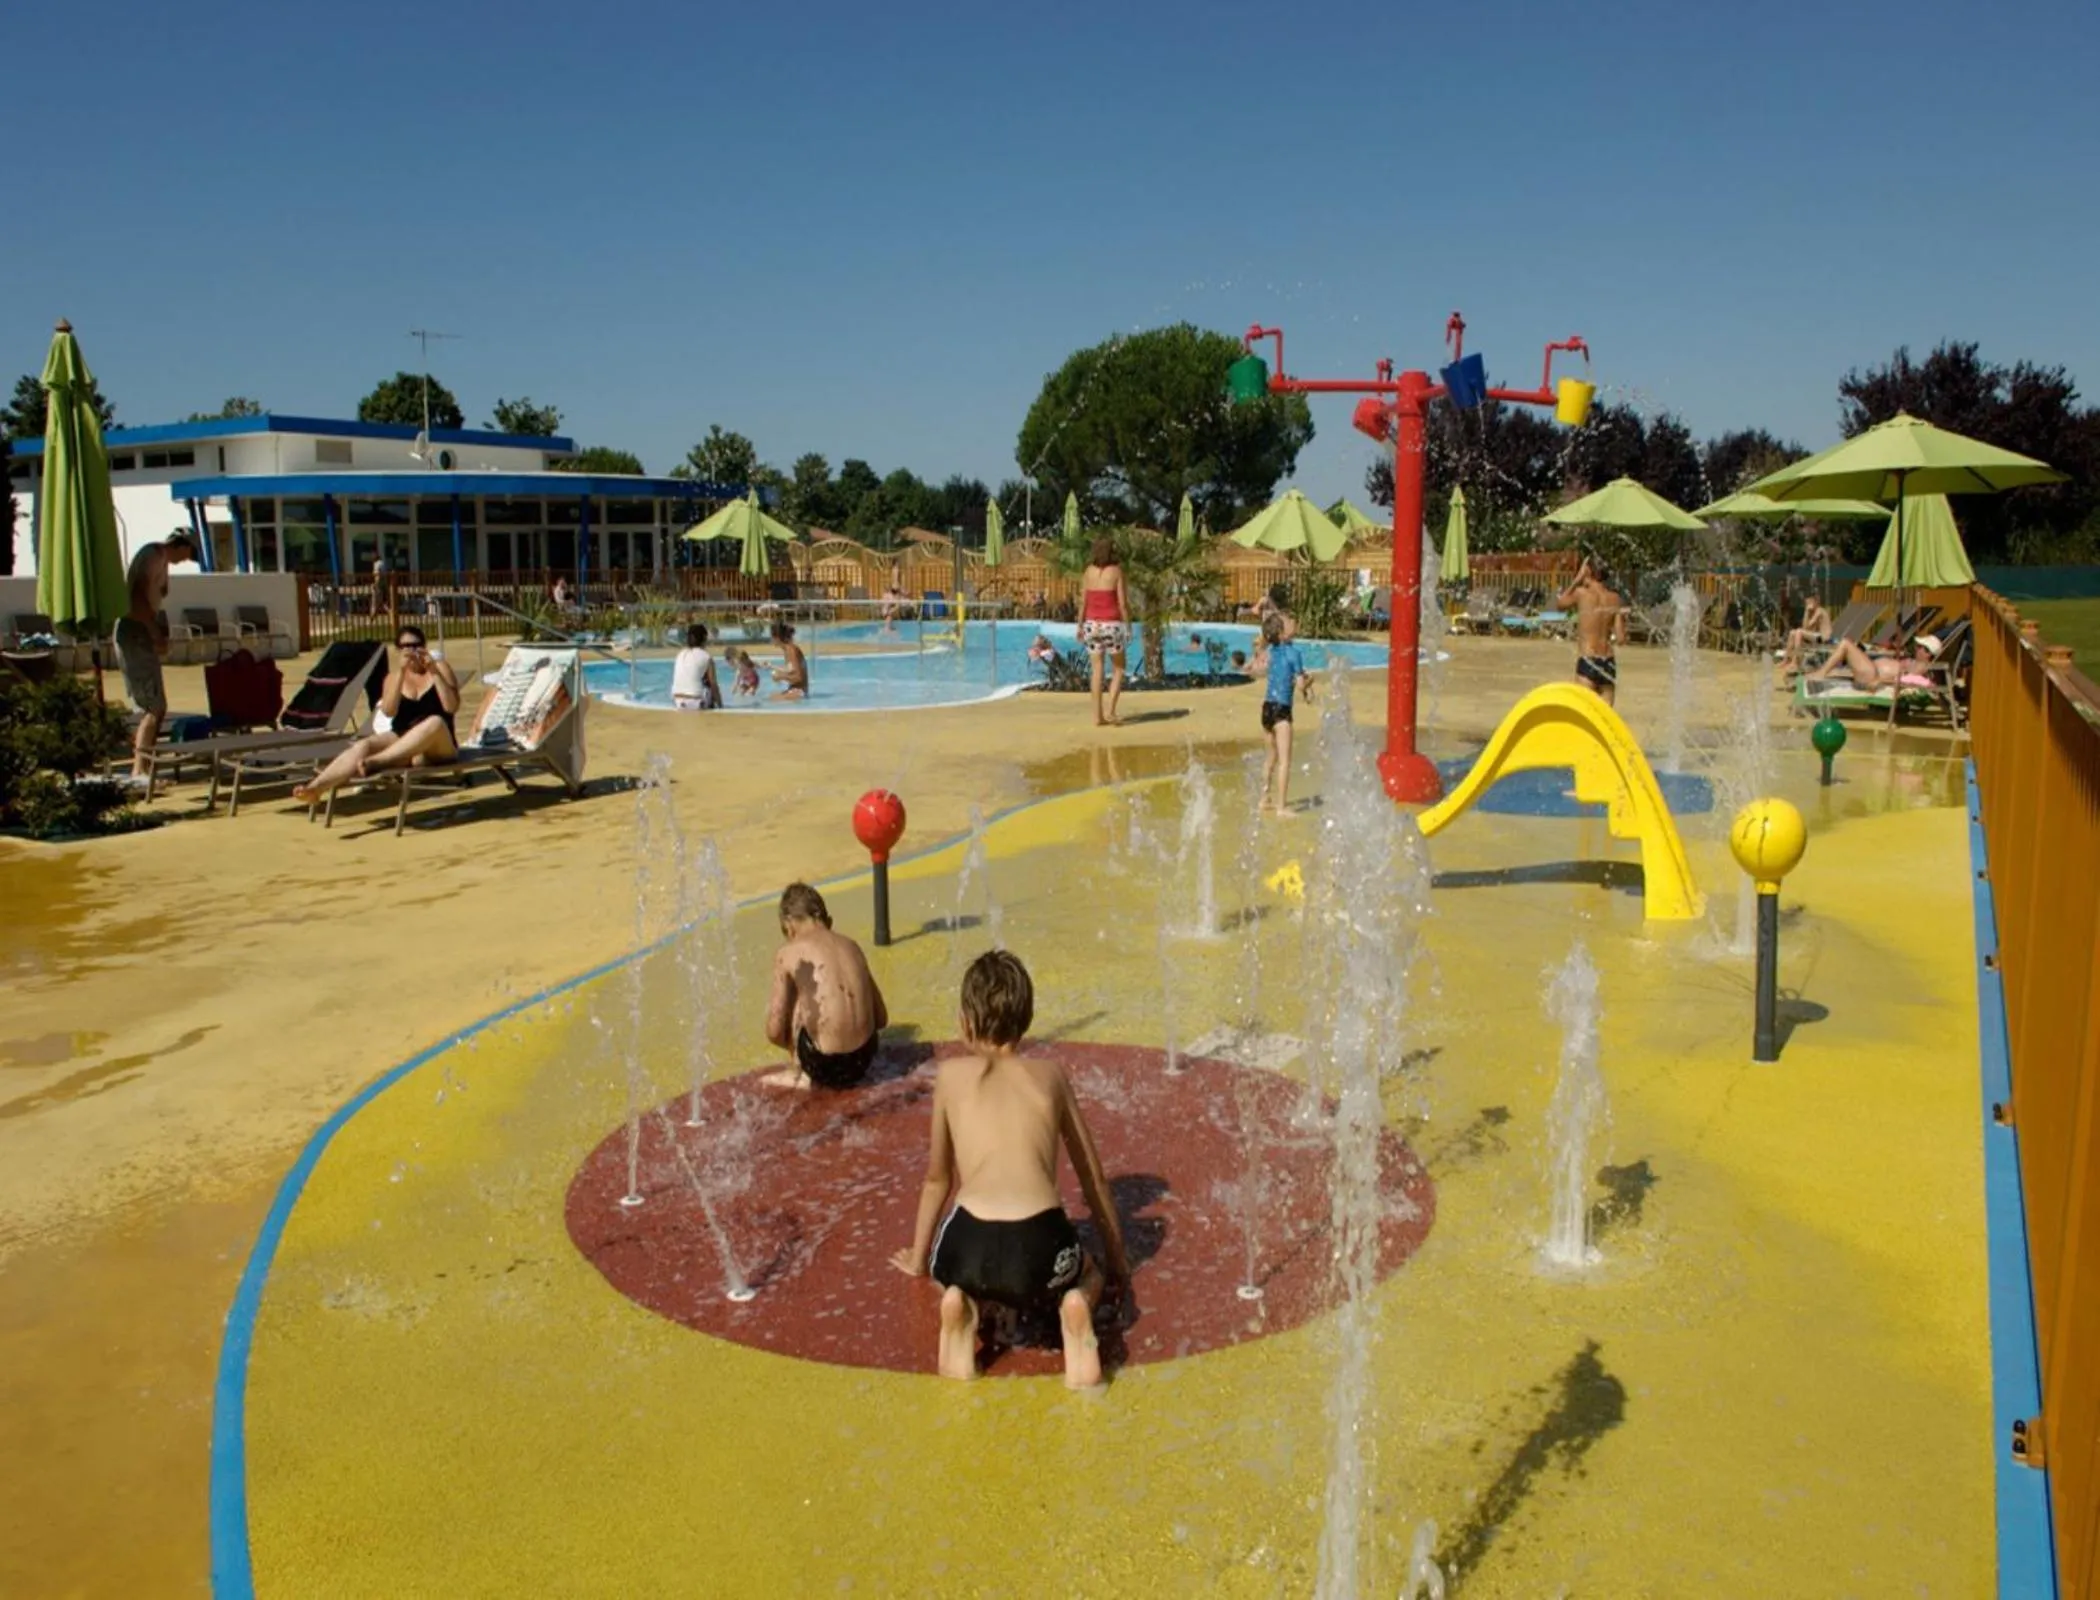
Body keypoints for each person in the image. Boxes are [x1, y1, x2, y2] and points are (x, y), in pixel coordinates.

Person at [890, 950, 1130, 1387]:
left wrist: (919, 1258)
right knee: (1086, 1272)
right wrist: (1116, 1263)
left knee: (953, 1274)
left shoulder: (949, 1076)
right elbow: (1093, 1179)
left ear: (965, 1020)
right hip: (1039, 1244)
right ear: (1028, 1017)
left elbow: (936, 1179)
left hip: (969, 1240)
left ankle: (961, 1301)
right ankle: (1075, 1303)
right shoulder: (1051, 1076)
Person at [293, 626, 460, 802]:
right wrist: (401, 674)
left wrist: (433, 672)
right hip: (404, 743)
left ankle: (376, 762)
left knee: (434, 722)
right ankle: (316, 787)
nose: (412, 651)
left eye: (416, 645)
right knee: (363, 745)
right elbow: (389, 711)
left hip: (439, 745)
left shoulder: (440, 668)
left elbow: (451, 707)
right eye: (406, 646)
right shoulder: (392, 678)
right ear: (398, 650)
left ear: (424, 646)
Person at [762, 883, 888, 1090]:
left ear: (789, 926)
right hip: (865, 1059)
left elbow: (774, 1031)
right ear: (827, 921)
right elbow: (881, 1018)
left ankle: (798, 1073)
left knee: (799, 992)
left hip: (822, 1065)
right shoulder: (852, 945)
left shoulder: (788, 953)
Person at [112, 533, 195, 784]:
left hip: (139, 632)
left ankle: (144, 764)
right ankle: (140, 769)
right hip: (135, 631)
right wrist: (154, 632)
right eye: (188, 553)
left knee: (156, 706)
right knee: (153, 706)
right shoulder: (154, 555)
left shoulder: (160, 560)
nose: (186, 560)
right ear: (181, 546)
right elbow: (137, 596)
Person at [1250, 611, 1312, 815]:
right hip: (1282, 711)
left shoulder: (1272, 652)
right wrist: (1309, 683)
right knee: (1285, 760)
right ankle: (1281, 807)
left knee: (1271, 758)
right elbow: (1301, 684)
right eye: (1288, 622)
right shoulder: (1295, 653)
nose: (1293, 621)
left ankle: (1264, 799)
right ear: (1283, 634)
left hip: (1266, 708)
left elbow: (1274, 671)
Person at [1557, 556, 1628, 706]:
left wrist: (1576, 580)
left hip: (1588, 659)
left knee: (1583, 714)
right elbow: (1621, 639)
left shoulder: (1582, 594)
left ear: (1588, 572)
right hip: (1608, 661)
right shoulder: (1615, 598)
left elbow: (1561, 603)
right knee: (1605, 717)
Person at [1079, 536, 1128, 727]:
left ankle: (1097, 717)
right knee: (1119, 668)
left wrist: (1079, 625)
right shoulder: (1116, 572)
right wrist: (1128, 625)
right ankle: (1111, 712)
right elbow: (1123, 603)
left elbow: (1083, 601)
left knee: (1096, 670)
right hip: (1112, 624)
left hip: (1091, 625)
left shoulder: (1088, 572)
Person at [1807, 632, 1943, 692]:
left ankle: (1821, 673)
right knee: (1844, 655)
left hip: (1873, 676)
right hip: (1872, 671)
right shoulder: (1915, 661)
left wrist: (1882, 682)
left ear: (1928, 653)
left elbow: (1906, 683)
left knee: (1845, 644)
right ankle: (1821, 672)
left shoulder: (1922, 667)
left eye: (1920, 647)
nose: (1916, 647)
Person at [671, 622, 721, 710]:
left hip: (678, 700)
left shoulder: (680, 654)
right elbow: (713, 684)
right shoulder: (706, 657)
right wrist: (721, 705)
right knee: (708, 683)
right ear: (704, 638)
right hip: (697, 701)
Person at [1778, 595, 1832, 672]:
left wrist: (1806, 611)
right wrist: (1806, 612)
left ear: (1815, 602)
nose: (1808, 605)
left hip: (1824, 638)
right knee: (1792, 632)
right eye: (1807, 603)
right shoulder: (1812, 613)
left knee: (1799, 632)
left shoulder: (1819, 611)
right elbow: (1805, 627)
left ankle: (1795, 662)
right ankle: (1786, 660)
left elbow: (1807, 627)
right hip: (1818, 637)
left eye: (1810, 602)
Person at [768, 621, 809, 700]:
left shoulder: (791, 650)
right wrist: (773, 667)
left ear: (777, 637)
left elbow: (798, 677)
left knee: (768, 700)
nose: (771, 639)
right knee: (770, 698)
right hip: (796, 691)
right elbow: (792, 671)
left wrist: (780, 676)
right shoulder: (788, 650)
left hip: (799, 692)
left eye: (771, 636)